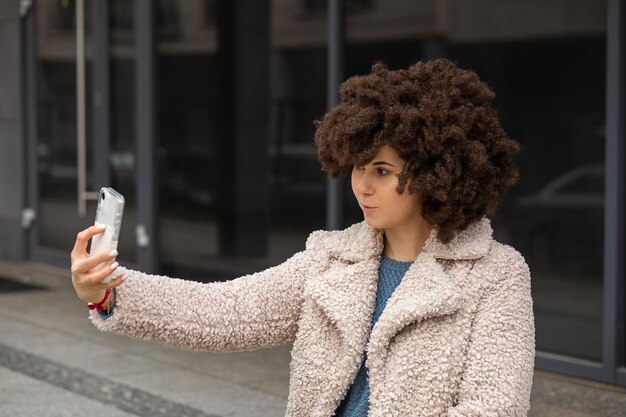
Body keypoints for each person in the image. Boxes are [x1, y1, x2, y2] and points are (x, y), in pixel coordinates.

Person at [70, 58, 535, 417]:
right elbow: (225, 313)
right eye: (357, 167)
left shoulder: (496, 274)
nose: (362, 186)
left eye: (382, 170)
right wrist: (108, 290)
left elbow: (494, 405)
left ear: (439, 172)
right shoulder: (330, 259)